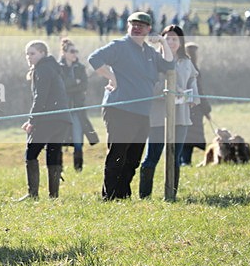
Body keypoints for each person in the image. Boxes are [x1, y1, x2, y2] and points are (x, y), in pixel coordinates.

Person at [88, 11, 174, 200]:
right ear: (128, 26)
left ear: (148, 29)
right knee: (118, 155)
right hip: (119, 109)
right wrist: (112, 77)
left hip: (142, 112)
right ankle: (109, 197)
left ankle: (123, 195)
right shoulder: (119, 46)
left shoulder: (150, 52)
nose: (136, 28)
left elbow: (169, 66)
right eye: (133, 24)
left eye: (141, 26)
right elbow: (94, 59)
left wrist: (163, 42)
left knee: (133, 158)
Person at [139, 25, 199, 198]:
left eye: (175, 39)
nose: (171, 42)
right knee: (152, 156)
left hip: (180, 116)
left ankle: (171, 194)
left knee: (175, 157)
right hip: (158, 116)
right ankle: (145, 195)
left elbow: (192, 81)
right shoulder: (154, 60)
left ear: (180, 42)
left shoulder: (187, 62)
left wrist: (192, 98)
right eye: (168, 38)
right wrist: (170, 90)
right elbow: (149, 85)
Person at [20, 40, 72, 199]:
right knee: (53, 155)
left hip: (48, 119)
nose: (29, 57)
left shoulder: (42, 69)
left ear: (42, 53)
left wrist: (32, 121)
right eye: (27, 54)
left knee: (31, 154)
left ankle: (33, 194)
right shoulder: (53, 67)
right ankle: (53, 196)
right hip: (62, 119)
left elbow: (40, 98)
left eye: (32, 53)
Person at [58, 38, 97, 171]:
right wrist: (75, 82)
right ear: (64, 52)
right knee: (59, 140)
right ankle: (59, 168)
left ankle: (78, 168)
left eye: (76, 51)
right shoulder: (58, 68)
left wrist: (72, 85)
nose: (75, 54)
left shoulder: (81, 68)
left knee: (78, 139)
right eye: (72, 51)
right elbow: (60, 87)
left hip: (77, 109)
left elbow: (84, 86)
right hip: (62, 109)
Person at [180, 42, 211, 166]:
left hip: (189, 106)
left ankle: (184, 160)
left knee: (187, 134)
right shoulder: (192, 68)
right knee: (189, 135)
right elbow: (198, 90)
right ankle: (185, 160)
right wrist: (206, 109)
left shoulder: (184, 65)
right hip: (193, 106)